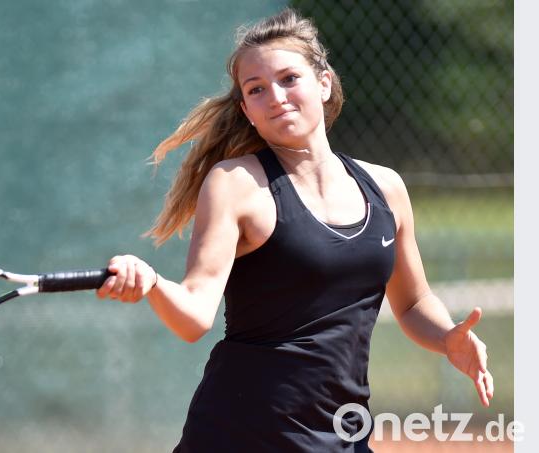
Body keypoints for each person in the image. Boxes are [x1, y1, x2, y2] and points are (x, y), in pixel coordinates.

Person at [96, 8, 494, 452]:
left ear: (323, 83)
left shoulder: (386, 187)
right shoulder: (235, 183)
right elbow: (193, 317)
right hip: (239, 435)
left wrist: (446, 338)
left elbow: (414, 301)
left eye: (289, 79)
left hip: (343, 435)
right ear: (246, 110)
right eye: (257, 89)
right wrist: (151, 282)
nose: (277, 97)